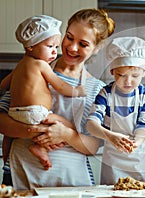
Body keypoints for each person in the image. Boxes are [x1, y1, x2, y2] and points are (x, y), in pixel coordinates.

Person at [0, 8, 115, 190]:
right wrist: (32, 131)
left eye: (83, 44)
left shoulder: (97, 89)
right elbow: (1, 120)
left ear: (96, 49)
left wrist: (66, 134)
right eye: (69, 37)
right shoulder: (32, 67)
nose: (72, 47)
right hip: (22, 173)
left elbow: (93, 146)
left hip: (70, 180)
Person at [0, 15, 86, 171]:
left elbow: (3, 84)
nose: (54, 52)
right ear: (30, 46)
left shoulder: (19, 66)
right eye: (50, 46)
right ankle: (41, 148)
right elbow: (59, 85)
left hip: (14, 113)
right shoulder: (41, 64)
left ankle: (6, 159)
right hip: (36, 113)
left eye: (55, 47)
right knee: (65, 125)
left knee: (8, 138)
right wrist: (76, 91)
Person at [86, 36, 145, 185]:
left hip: (139, 155)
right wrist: (110, 136)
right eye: (121, 75)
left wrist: (135, 143)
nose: (128, 81)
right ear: (112, 71)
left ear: (144, 72)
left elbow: (143, 126)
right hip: (113, 159)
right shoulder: (106, 93)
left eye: (135, 76)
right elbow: (91, 124)